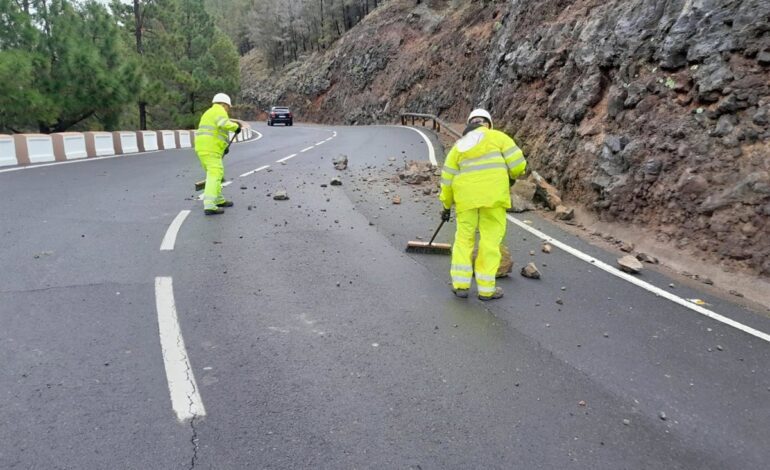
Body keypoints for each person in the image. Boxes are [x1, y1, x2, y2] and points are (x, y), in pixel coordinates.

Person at [439, 108, 527, 300]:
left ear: (469, 124)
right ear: (488, 123)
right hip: (494, 199)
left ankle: (461, 285)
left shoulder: (458, 146)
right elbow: (519, 165)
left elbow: (446, 180)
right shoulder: (499, 137)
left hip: (466, 201)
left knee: (463, 240)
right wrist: (511, 176)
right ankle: (486, 290)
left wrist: (446, 206)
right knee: (490, 242)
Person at [195, 93, 241, 215]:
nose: (228, 109)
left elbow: (215, 132)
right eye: (228, 107)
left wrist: (224, 147)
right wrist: (236, 127)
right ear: (224, 104)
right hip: (210, 149)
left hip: (203, 148)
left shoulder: (208, 112)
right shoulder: (219, 111)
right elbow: (223, 124)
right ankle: (209, 205)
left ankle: (219, 199)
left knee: (216, 174)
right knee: (215, 174)